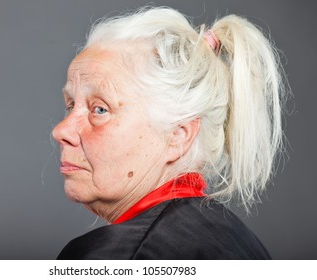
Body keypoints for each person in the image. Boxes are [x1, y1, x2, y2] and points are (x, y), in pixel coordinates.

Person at [52, 6, 286, 259]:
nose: (61, 130)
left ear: (178, 135)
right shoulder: (241, 242)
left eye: (99, 109)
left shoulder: (122, 256)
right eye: (70, 105)